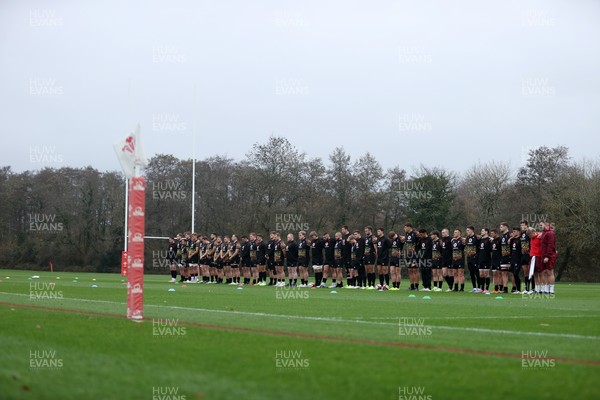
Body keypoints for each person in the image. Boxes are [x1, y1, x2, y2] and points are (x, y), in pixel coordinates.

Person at [540, 221, 557, 295]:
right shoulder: (544, 233)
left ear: (546, 224)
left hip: (548, 255)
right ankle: (545, 289)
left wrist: (547, 256)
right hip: (543, 255)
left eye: (541, 225)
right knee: (544, 272)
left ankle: (551, 289)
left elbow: (550, 245)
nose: (540, 226)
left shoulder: (550, 233)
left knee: (550, 272)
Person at [402, 223, 419, 291]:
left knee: (415, 270)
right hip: (408, 255)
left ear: (409, 227)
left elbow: (420, 241)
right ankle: (412, 286)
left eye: (405, 227)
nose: (404, 229)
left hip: (415, 254)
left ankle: (416, 286)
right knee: (410, 270)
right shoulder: (406, 234)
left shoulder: (415, 233)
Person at [464, 226, 479, 291]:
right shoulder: (467, 238)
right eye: (466, 230)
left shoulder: (477, 237)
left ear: (472, 230)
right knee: (471, 273)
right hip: (469, 258)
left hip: (475, 258)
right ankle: (474, 287)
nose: (467, 232)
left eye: (468, 230)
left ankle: (479, 287)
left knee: (477, 273)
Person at [528, 227, 542, 294]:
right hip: (532, 257)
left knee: (540, 273)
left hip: (538, 256)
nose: (530, 236)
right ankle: (537, 289)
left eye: (530, 234)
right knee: (535, 273)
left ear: (533, 232)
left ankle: (541, 288)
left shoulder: (539, 237)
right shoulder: (531, 239)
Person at [520, 221, 533, 293]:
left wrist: (529, 250)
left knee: (531, 271)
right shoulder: (522, 234)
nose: (521, 226)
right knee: (525, 272)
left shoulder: (529, 232)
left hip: (529, 255)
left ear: (526, 225)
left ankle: (533, 288)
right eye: (521, 225)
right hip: (523, 255)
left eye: (523, 225)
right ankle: (527, 288)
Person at [477, 228, 491, 294]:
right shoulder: (480, 240)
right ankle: (481, 288)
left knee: (486, 274)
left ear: (486, 232)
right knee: (481, 274)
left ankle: (487, 289)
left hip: (487, 259)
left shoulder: (489, 240)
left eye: (482, 231)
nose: (481, 232)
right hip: (480, 259)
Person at [510, 227, 522, 294]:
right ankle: (516, 289)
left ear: (518, 232)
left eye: (514, 231)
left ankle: (519, 289)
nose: (513, 233)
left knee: (516, 274)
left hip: (518, 259)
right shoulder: (513, 240)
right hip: (513, 260)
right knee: (514, 274)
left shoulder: (520, 240)